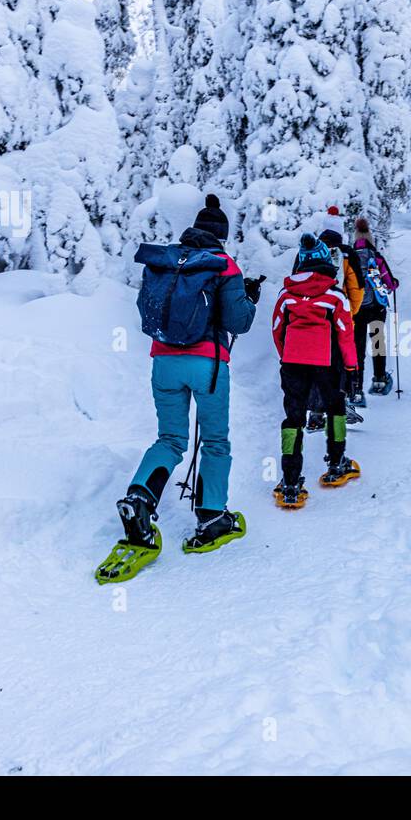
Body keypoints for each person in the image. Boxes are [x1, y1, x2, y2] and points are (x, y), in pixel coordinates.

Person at [96, 194, 261, 583]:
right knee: (216, 441)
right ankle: (213, 516)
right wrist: (249, 298)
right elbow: (239, 323)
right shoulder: (225, 266)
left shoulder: (169, 259)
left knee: (169, 440)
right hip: (207, 363)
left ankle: (139, 498)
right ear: (222, 235)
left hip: (163, 361)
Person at [271, 233, 362, 508]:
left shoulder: (286, 295)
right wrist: (352, 366)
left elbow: (277, 329)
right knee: (335, 408)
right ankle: (337, 464)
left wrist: (286, 356)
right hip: (327, 362)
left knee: (293, 417)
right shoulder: (334, 296)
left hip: (293, 362)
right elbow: (346, 333)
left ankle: (290, 480)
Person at [304, 206, 365, 428]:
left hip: (310, 318)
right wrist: (349, 313)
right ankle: (342, 404)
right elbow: (357, 289)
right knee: (340, 364)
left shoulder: (308, 251)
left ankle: (315, 413)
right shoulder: (347, 254)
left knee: (313, 363)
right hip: (339, 317)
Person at [351, 217, 400, 398]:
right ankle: (379, 379)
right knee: (377, 342)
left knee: (358, 347)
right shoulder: (376, 258)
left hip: (356, 309)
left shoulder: (350, 259)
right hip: (376, 307)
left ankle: (356, 387)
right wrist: (394, 283)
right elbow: (390, 283)